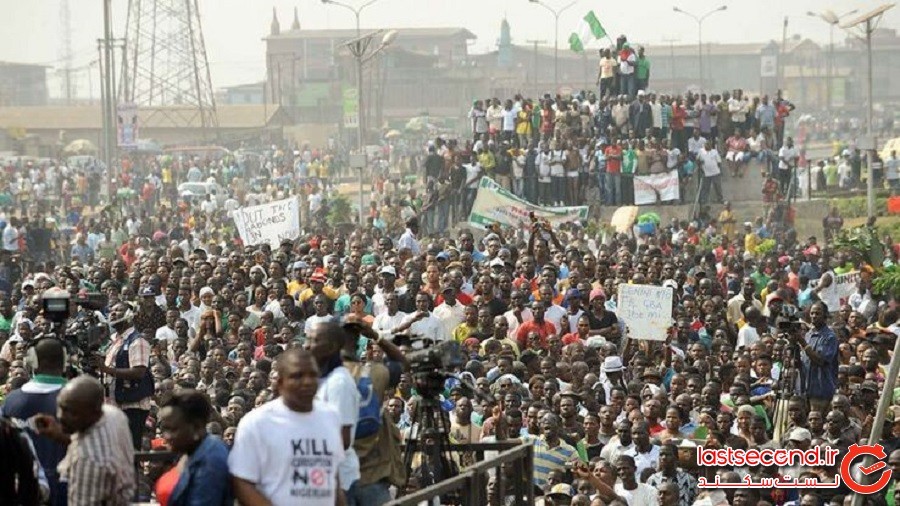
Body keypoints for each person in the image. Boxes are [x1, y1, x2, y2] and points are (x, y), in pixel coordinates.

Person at [229, 348, 346, 505]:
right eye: (297, 376)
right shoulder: (257, 423)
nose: (307, 382)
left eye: (312, 375)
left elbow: (333, 477)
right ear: (280, 383)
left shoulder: (331, 417)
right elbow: (241, 483)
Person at [34, 376, 136, 505]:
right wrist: (60, 436)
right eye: (61, 407)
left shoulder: (87, 461)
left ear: (93, 412)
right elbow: (93, 440)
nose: (60, 416)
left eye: (70, 412)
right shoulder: (113, 415)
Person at [0, 336, 68, 505]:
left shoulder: (11, 400)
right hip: (69, 489)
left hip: (25, 490)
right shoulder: (82, 397)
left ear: (33, 361)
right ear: (65, 360)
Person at [308, 321, 361, 501]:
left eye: (314, 340)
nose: (307, 345)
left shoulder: (339, 383)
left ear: (331, 348)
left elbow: (342, 440)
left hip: (340, 483)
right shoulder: (321, 380)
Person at [155, 390, 232, 506]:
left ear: (197, 427)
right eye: (164, 429)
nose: (166, 436)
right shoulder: (190, 451)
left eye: (173, 430)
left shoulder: (211, 460)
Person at [94, 301, 154, 449]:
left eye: (118, 310)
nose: (113, 313)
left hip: (132, 405)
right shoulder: (114, 340)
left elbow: (138, 372)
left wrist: (107, 370)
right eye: (111, 311)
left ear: (129, 315)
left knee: (130, 450)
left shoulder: (137, 340)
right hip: (115, 402)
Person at [799, 301, 838, 413]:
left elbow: (821, 360)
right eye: (812, 313)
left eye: (817, 313)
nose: (814, 316)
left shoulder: (830, 337)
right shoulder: (808, 335)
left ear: (825, 316)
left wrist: (803, 343)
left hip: (821, 391)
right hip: (806, 389)